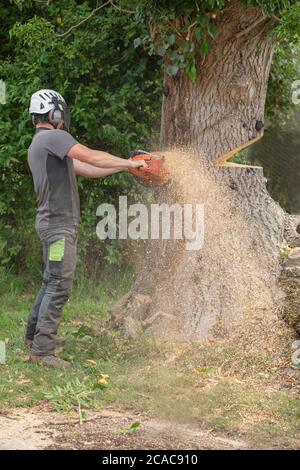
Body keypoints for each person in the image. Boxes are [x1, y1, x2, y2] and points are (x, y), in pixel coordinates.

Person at [25, 89, 146, 368]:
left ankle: (34, 338)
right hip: (57, 227)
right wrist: (128, 161)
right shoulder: (54, 137)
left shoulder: (41, 143)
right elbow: (92, 156)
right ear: (53, 113)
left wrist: (125, 169)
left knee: (50, 281)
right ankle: (43, 351)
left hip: (52, 224)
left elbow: (87, 168)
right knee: (59, 285)